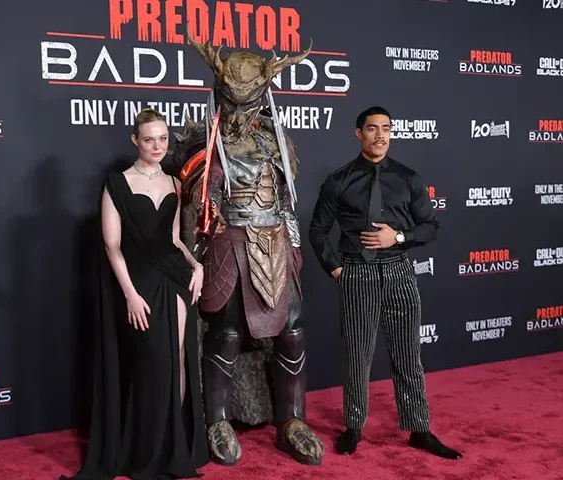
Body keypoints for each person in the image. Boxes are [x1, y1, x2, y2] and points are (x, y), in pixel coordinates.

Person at [170, 32, 325, 467]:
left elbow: (286, 199)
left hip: (275, 242)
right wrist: (206, 196)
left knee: (292, 332)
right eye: (232, 102)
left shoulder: (277, 143)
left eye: (247, 102)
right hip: (228, 243)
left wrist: (293, 251)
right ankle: (217, 418)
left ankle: (292, 419)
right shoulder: (204, 140)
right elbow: (196, 198)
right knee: (227, 333)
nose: (239, 112)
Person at [61, 108, 209, 480]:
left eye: (162, 138)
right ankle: (145, 445)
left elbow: (175, 239)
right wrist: (129, 293)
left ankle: (170, 445)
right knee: (151, 361)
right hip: (138, 281)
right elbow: (112, 246)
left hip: (175, 276)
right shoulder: (117, 184)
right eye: (149, 139)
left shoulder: (176, 183)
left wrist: (198, 266)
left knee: (177, 357)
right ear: (135, 140)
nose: (157, 146)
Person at [307, 106, 462, 460]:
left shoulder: (408, 178)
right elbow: (317, 231)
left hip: (399, 271)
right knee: (357, 356)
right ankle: (353, 426)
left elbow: (431, 227)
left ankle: (419, 429)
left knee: (409, 355)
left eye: (386, 128)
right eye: (373, 128)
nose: (381, 135)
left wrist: (400, 237)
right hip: (356, 273)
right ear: (358, 133)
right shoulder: (339, 180)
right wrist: (334, 268)